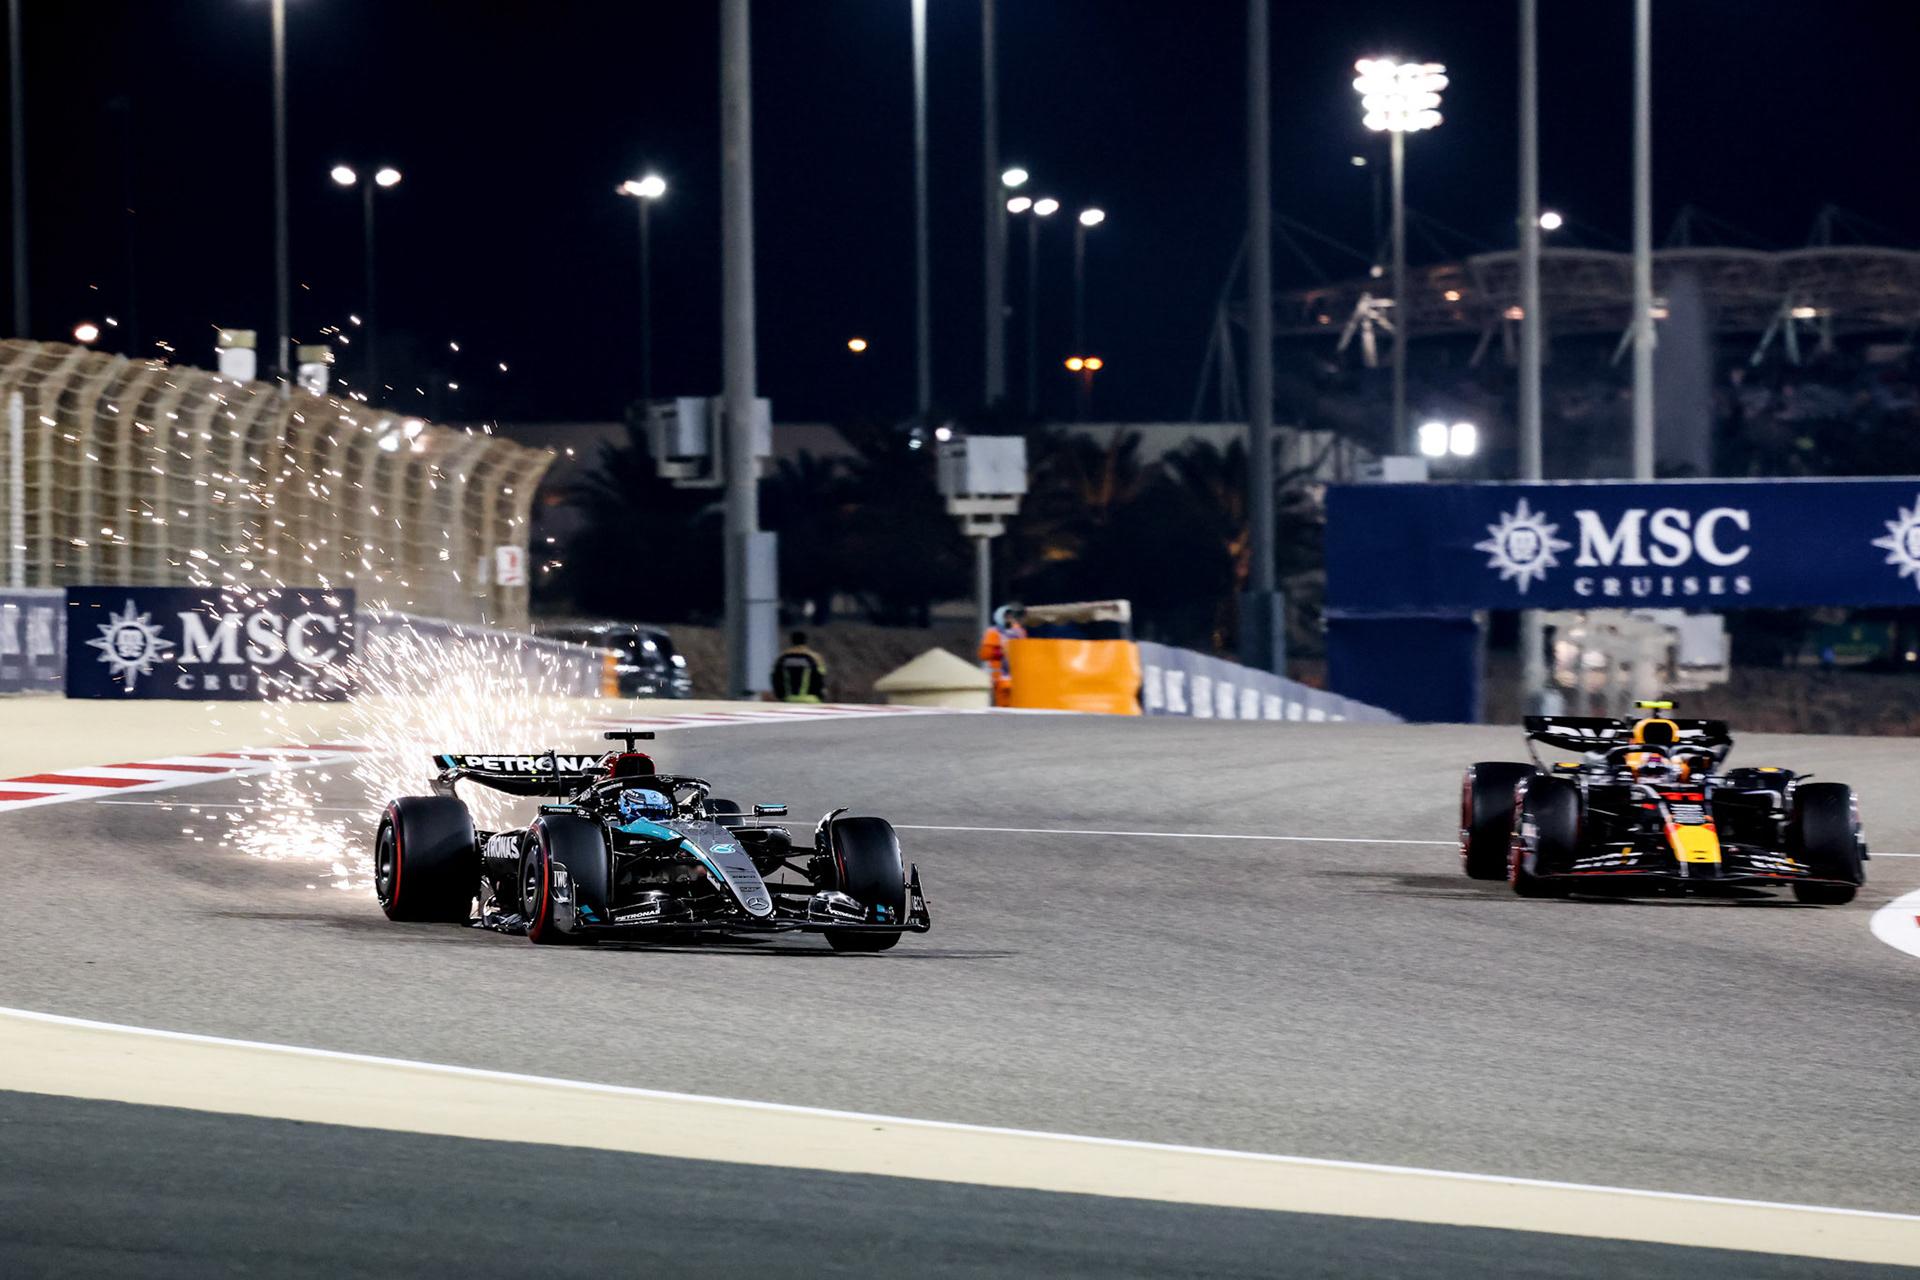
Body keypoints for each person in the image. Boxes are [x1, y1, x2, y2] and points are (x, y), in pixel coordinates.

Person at [977, 604, 1026, 707]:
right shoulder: (993, 632)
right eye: (1006, 616)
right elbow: (984, 654)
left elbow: (1024, 650)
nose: (1009, 619)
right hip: (999, 676)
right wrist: (1000, 651)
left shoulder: (1018, 632)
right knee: (1001, 704)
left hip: (1016, 674)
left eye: (1011, 616)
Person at [770, 630, 828, 702]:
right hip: (811, 700)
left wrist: (780, 696)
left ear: (792, 641)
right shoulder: (814, 658)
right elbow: (820, 678)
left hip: (788, 699)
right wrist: (821, 696)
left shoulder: (782, 658)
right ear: (805, 641)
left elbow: (775, 678)